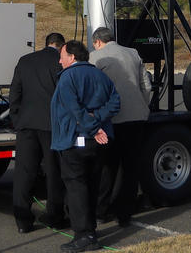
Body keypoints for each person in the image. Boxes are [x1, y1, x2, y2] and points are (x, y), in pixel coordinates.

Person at [51, 39, 120, 253]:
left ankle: (84, 235)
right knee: (91, 185)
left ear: (72, 57)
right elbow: (115, 102)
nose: (60, 61)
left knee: (77, 187)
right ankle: (90, 230)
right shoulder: (100, 75)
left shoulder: (68, 77)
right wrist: (98, 121)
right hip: (97, 141)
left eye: (62, 56)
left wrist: (93, 127)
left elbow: (75, 110)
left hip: (76, 140)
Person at [89, 26, 152, 226]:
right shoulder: (133, 53)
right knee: (131, 167)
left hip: (111, 120)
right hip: (136, 117)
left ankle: (101, 209)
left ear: (97, 42)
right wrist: (143, 105)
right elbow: (147, 85)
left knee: (107, 167)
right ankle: (124, 213)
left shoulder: (95, 57)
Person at [9, 32, 68, 233]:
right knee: (54, 173)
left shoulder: (25, 61)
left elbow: (14, 93)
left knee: (24, 173)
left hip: (26, 124)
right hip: (52, 126)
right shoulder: (60, 62)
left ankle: (22, 221)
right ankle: (54, 215)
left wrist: (17, 119)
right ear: (62, 46)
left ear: (46, 44)